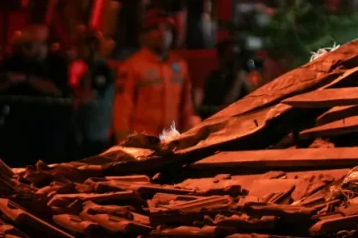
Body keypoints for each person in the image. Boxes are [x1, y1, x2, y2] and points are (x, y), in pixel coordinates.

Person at [112, 10, 196, 141]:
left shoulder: (180, 66)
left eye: (167, 29)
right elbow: (122, 110)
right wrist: (124, 144)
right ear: (144, 35)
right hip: (142, 144)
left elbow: (186, 108)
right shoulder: (132, 67)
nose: (163, 34)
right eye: (156, 29)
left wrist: (188, 139)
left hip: (172, 143)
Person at [0, 25, 71, 164]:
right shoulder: (17, 60)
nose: (24, 50)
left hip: (49, 128)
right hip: (21, 127)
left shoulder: (58, 62)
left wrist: (26, 79)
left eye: (28, 46)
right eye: (21, 46)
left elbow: (57, 90)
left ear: (42, 45)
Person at [70, 29, 115, 157]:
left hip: (97, 132)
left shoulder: (103, 69)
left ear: (92, 46)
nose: (77, 50)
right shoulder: (87, 69)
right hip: (84, 130)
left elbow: (90, 96)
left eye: (80, 46)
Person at [201, 37, 256, 116]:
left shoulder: (242, 75)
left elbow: (254, 100)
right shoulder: (215, 78)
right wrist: (238, 81)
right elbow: (226, 105)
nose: (234, 60)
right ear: (222, 57)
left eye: (236, 56)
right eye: (231, 55)